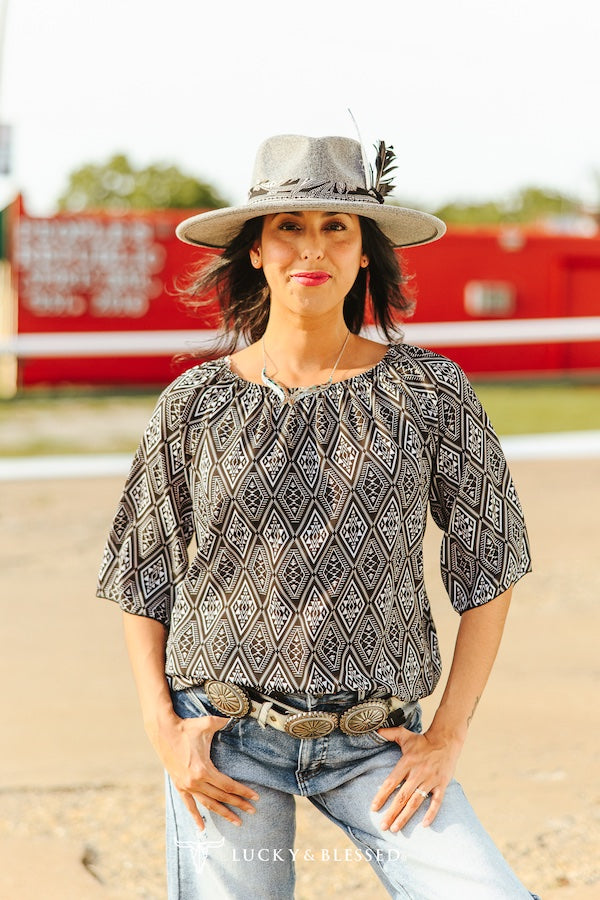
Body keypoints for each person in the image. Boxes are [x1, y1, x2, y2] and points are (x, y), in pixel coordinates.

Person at [97, 133, 539, 899]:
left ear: (366, 251)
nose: (314, 247)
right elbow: (143, 575)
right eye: (290, 227)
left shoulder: (430, 393)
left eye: (337, 227)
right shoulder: (196, 402)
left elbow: (490, 567)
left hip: (380, 742)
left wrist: (448, 736)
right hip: (225, 738)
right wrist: (163, 730)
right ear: (258, 253)